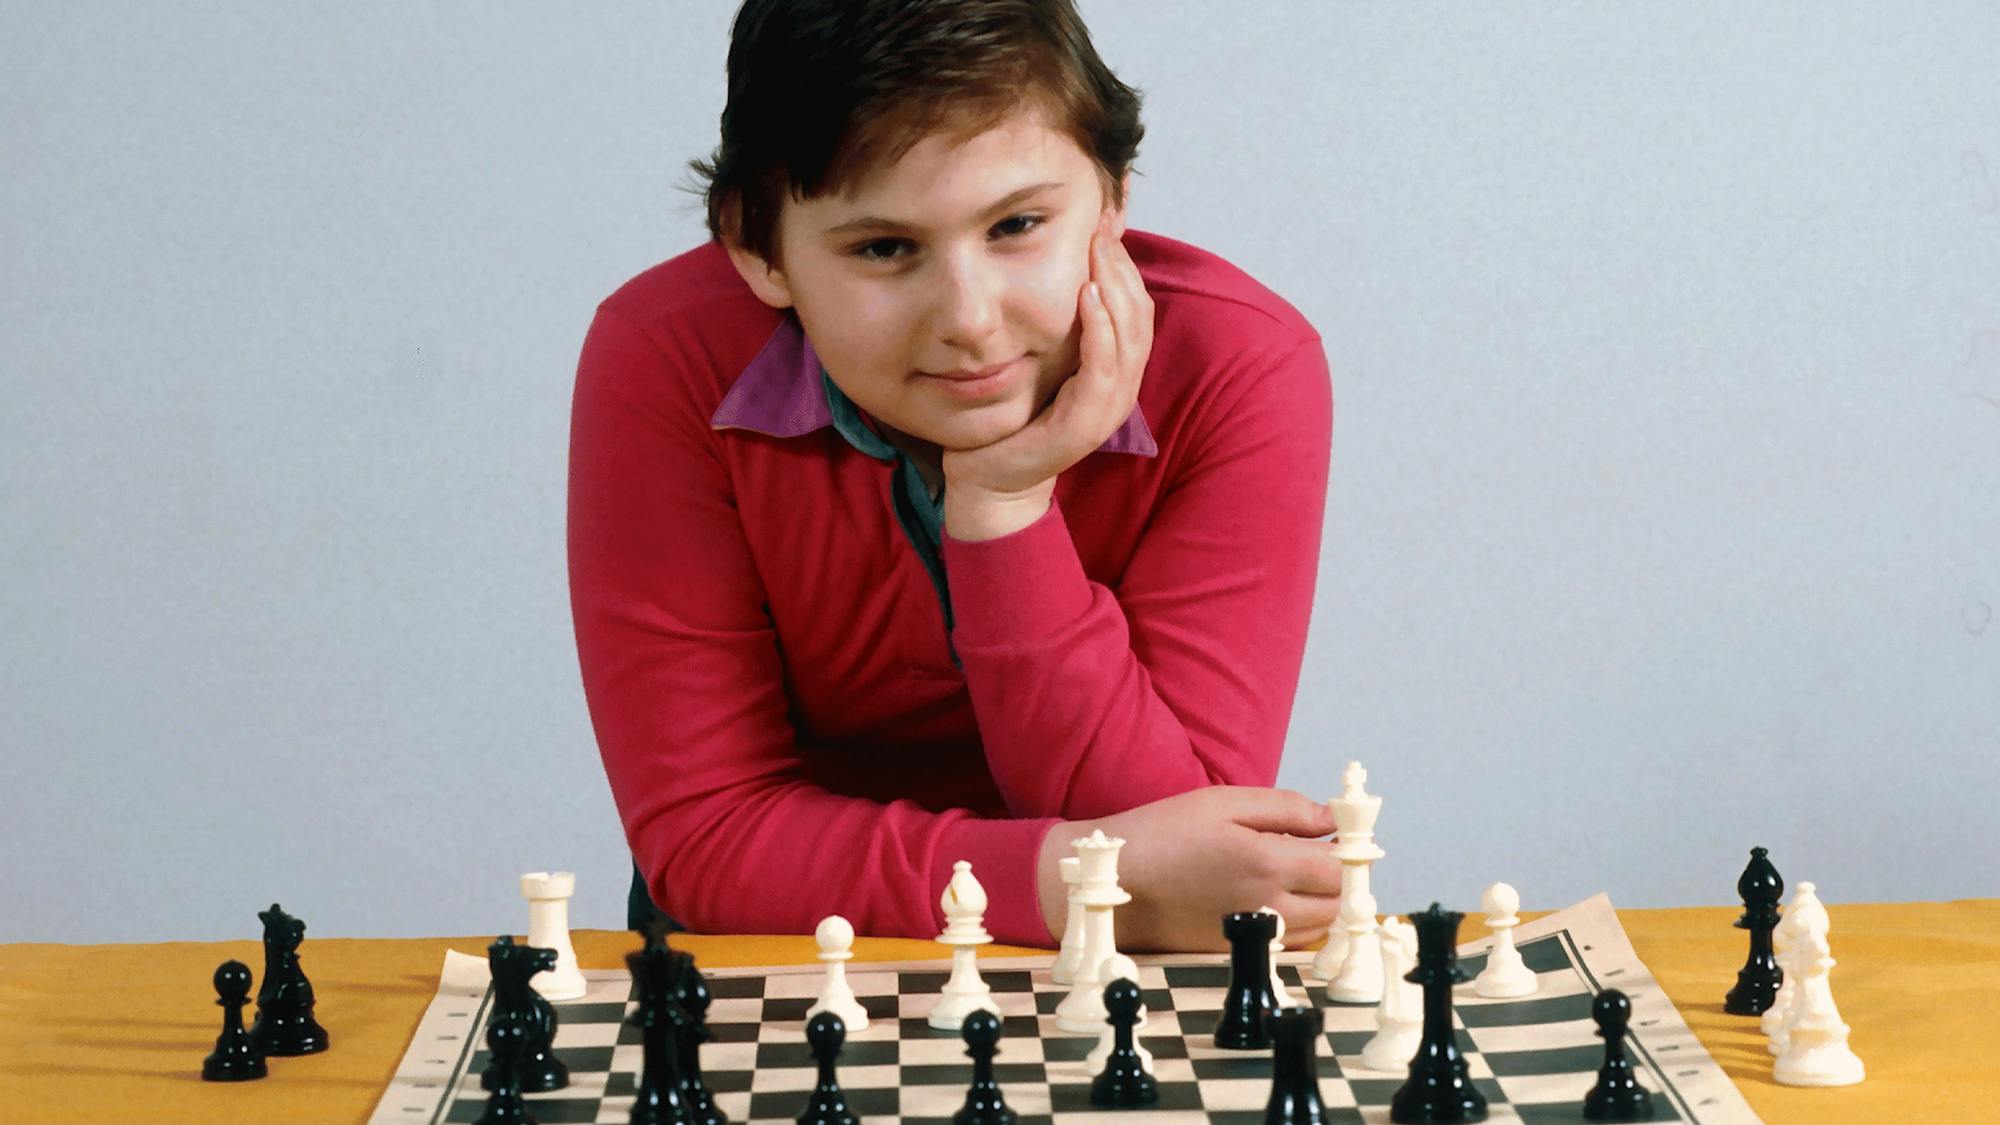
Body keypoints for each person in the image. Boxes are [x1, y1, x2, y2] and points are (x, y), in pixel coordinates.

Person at [567, 0, 1337, 952]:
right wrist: (1079, 880)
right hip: (772, 951)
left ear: (1114, 199)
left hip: (1105, 972)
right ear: (757, 247)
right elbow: (708, 836)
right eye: (884, 249)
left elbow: (1180, 834)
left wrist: (1005, 506)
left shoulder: (1240, 367)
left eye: (1017, 224)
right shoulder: (663, 357)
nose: (968, 319)